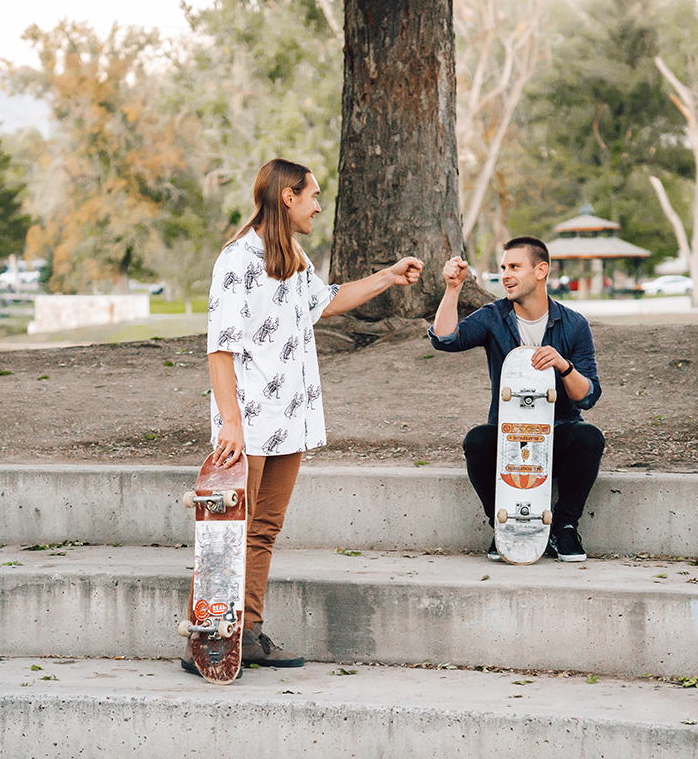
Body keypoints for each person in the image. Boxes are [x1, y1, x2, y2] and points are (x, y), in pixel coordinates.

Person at [183, 157, 423, 674]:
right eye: (312, 194)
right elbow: (218, 349)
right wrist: (229, 422)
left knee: (264, 528)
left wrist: (387, 276)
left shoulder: (293, 255)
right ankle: (205, 638)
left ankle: (248, 631)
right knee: (230, 532)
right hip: (247, 421)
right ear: (287, 197)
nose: (318, 203)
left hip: (290, 419)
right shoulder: (237, 260)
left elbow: (328, 303)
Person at [428, 236, 604, 561]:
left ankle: (564, 528)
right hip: (510, 435)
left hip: (557, 431)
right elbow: (444, 340)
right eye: (504, 267)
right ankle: (503, 527)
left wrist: (563, 365)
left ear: (541, 271)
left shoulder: (574, 325)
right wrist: (453, 288)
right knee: (478, 441)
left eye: (514, 267)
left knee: (588, 437)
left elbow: (588, 397)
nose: (506, 274)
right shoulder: (493, 317)